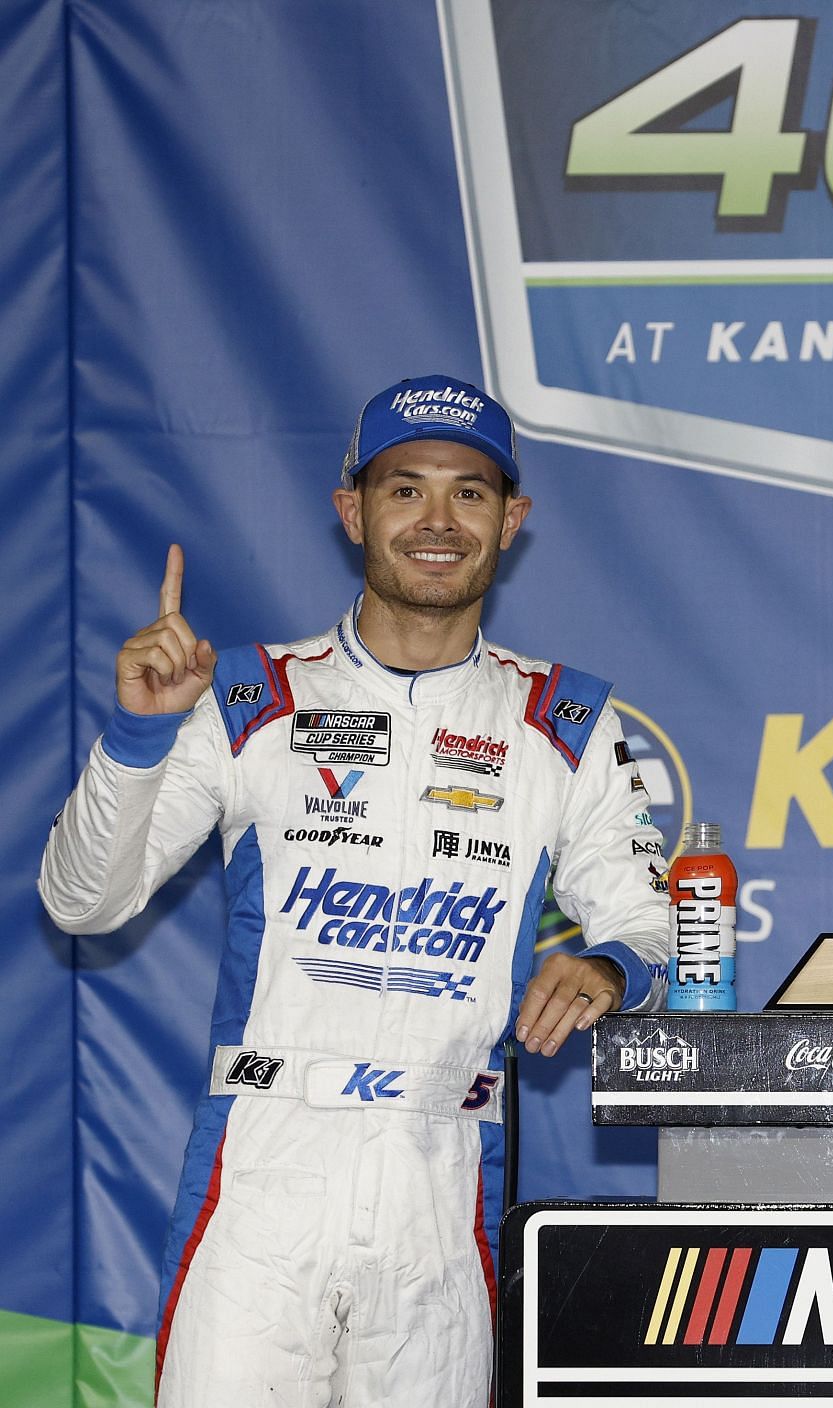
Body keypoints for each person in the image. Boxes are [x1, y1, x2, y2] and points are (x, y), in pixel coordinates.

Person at [39, 375, 670, 1406]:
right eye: (403, 488)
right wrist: (141, 734)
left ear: (510, 521)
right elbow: (81, 903)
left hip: (443, 1168)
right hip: (265, 1170)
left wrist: (608, 964)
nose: (435, 521)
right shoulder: (248, 698)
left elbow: (655, 926)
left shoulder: (568, 721)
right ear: (353, 511)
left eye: (469, 493)